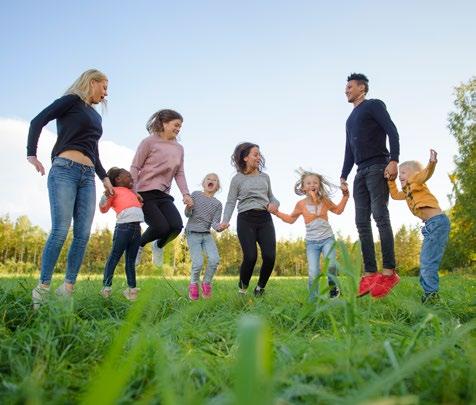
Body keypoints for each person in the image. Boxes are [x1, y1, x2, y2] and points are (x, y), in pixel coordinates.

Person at [27, 69, 113, 308]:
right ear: (92, 82)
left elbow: (93, 150)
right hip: (64, 169)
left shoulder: (96, 117)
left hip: (88, 176)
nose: (106, 93)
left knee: (83, 234)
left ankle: (67, 289)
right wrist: (31, 154)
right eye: (104, 87)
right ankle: (42, 289)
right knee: (61, 230)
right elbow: (38, 120)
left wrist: (104, 177)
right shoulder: (71, 101)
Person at [340, 73, 400, 299]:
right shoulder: (349, 120)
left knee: (380, 215)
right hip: (360, 171)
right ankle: (370, 274)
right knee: (360, 222)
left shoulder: (374, 106)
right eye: (345, 87)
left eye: (349, 86)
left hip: (378, 165)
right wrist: (344, 174)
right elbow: (349, 149)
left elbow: (391, 130)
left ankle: (389, 272)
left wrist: (394, 159)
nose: (346, 90)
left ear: (361, 88)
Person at [130, 109, 193, 267]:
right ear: (164, 123)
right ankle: (138, 245)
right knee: (160, 226)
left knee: (176, 226)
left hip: (163, 194)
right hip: (144, 193)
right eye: (176, 125)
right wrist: (133, 192)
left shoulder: (179, 148)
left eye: (180, 126)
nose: (178, 129)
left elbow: (179, 173)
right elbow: (135, 167)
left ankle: (158, 245)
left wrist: (186, 194)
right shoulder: (149, 142)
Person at [274, 170, 349, 300]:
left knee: (331, 265)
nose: (312, 185)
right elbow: (291, 219)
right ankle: (313, 299)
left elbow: (338, 210)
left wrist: (345, 196)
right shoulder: (301, 204)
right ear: (303, 188)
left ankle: (333, 289)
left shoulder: (324, 200)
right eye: (308, 183)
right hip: (312, 243)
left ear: (319, 186)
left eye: (315, 182)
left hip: (327, 240)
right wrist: (277, 213)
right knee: (314, 272)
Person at [388, 149, 450, 303]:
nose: (400, 176)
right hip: (430, 226)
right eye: (399, 173)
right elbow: (395, 195)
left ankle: (431, 297)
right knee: (425, 262)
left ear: (414, 174)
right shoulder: (407, 191)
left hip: (437, 223)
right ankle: (429, 294)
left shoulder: (416, 181)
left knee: (428, 263)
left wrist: (432, 163)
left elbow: (426, 174)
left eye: (403, 172)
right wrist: (390, 180)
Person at [220, 142, 279, 297]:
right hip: (246, 219)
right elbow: (231, 201)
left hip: (264, 218)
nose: (259, 157)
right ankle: (242, 289)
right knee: (251, 256)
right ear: (245, 158)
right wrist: (225, 220)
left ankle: (260, 288)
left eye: (259, 154)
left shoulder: (265, 177)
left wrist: (274, 204)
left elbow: (272, 197)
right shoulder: (237, 179)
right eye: (255, 154)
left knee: (270, 256)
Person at [99, 167, 144, 301]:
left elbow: (136, 207)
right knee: (114, 257)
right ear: (118, 179)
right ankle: (106, 288)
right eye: (128, 176)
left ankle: (131, 290)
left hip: (137, 229)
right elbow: (103, 208)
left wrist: (139, 199)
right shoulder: (114, 191)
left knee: (130, 260)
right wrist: (105, 196)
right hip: (123, 228)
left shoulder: (131, 192)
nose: (132, 178)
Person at [184, 173, 226, 300]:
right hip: (192, 233)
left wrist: (220, 227)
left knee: (214, 259)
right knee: (198, 262)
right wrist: (189, 207)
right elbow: (187, 214)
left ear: (217, 187)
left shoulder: (218, 204)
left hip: (206, 234)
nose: (211, 180)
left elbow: (215, 224)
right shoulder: (195, 194)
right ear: (204, 183)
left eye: (214, 180)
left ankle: (206, 283)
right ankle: (193, 284)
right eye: (208, 179)